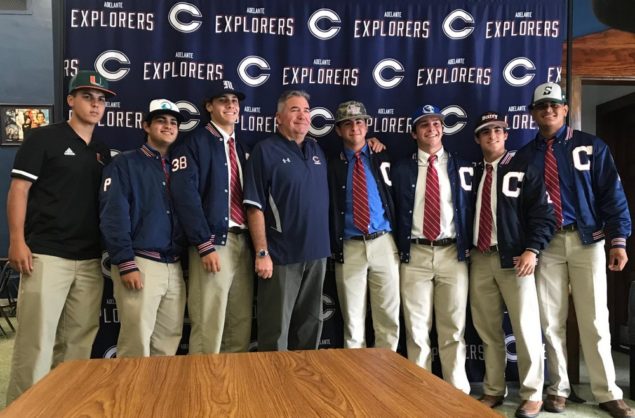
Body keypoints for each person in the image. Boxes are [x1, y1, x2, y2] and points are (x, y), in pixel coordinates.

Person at [516, 82, 633, 418]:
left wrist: (618, 240)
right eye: (542, 107)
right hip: (547, 244)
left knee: (595, 318)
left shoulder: (591, 147)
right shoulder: (525, 157)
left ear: (565, 109)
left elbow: (612, 195)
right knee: (551, 321)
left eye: (555, 105)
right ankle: (558, 388)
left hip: (588, 241)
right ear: (533, 114)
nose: (548, 110)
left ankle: (607, 391)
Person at [6, 70, 115, 402]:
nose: (95, 104)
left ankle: (64, 406)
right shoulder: (43, 138)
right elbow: (19, 190)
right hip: (47, 254)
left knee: (78, 344)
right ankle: (23, 409)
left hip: (89, 259)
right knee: (35, 342)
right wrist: (16, 240)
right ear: (71, 100)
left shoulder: (101, 149)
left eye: (101, 100)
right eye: (87, 97)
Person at [469, 111, 556, 418]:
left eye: (498, 130)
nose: (493, 135)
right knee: (488, 329)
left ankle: (532, 393)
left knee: (526, 327)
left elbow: (544, 215)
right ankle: (494, 389)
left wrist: (533, 249)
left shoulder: (524, 166)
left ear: (506, 135)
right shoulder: (472, 172)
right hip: (479, 258)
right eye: (486, 131)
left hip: (515, 259)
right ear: (478, 138)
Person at [391, 104, 474, 394]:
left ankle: (457, 392)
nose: (432, 129)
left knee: (453, 327)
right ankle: (420, 392)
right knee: (416, 329)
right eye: (425, 125)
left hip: (453, 253)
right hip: (415, 254)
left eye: (437, 123)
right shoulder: (401, 168)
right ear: (415, 134)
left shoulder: (461, 165)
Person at [170, 80, 253, 354]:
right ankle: (201, 393)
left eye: (234, 101)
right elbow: (186, 199)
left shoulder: (241, 147)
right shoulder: (193, 144)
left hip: (243, 241)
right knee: (209, 325)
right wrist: (204, 245)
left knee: (238, 324)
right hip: (213, 242)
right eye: (222, 100)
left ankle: (233, 391)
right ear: (209, 107)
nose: (230, 105)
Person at [243, 90, 330, 351]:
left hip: (317, 254)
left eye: (306, 110)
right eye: (294, 110)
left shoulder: (317, 150)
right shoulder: (265, 151)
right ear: (278, 118)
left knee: (310, 329)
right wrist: (262, 252)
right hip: (280, 256)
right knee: (275, 333)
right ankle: (271, 390)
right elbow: (254, 207)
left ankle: (303, 390)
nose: (302, 115)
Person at [100, 99, 186, 357]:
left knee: (167, 345)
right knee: (135, 344)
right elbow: (113, 216)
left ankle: (158, 398)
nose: (168, 126)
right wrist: (126, 262)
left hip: (174, 264)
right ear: (146, 125)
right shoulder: (125, 163)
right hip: (141, 262)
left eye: (173, 122)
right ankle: (131, 399)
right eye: (161, 120)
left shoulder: (180, 166)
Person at [327, 100, 400, 350]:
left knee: (388, 321)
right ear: (338, 130)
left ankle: (386, 383)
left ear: (367, 126)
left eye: (359, 122)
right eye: (347, 124)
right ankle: (356, 386)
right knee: (353, 325)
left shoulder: (382, 156)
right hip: (349, 247)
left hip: (383, 242)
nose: (354, 128)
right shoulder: (331, 163)